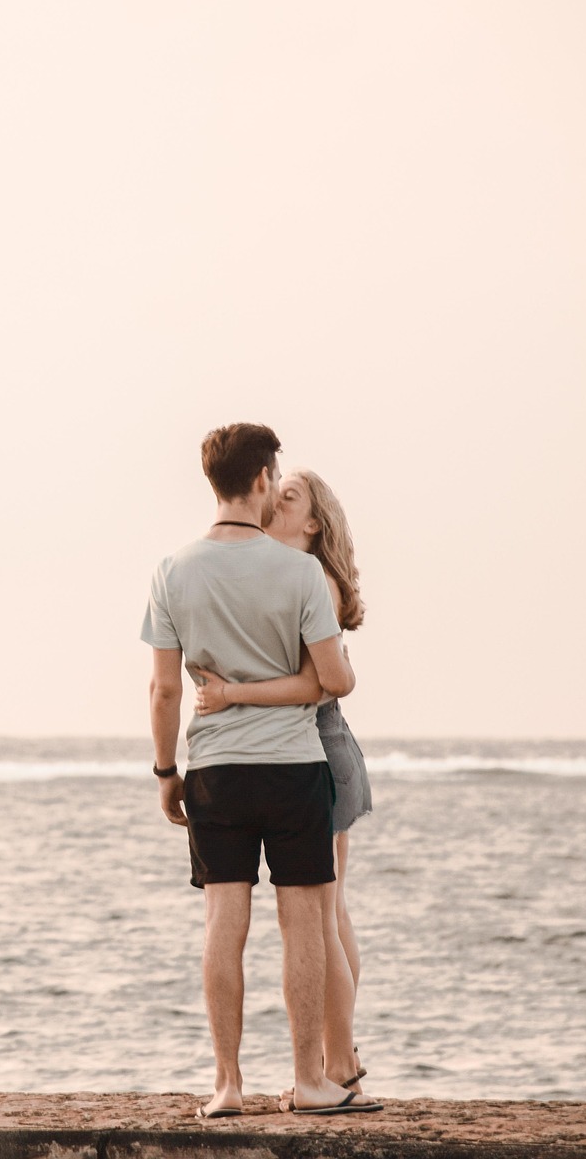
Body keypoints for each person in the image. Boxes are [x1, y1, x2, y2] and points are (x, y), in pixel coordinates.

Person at [141, 424, 381, 1118]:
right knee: (305, 921)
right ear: (258, 481)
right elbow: (334, 679)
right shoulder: (301, 572)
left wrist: (166, 772)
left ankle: (227, 1085)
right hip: (292, 765)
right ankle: (312, 1080)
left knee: (223, 919)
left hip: (212, 765)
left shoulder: (172, 569)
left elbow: (162, 691)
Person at [194, 469, 372, 1101]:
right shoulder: (277, 570)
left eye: (289, 497)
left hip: (317, 744)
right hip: (300, 748)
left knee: (323, 920)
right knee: (329, 914)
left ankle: (340, 1065)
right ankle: (336, 1063)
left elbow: (326, 682)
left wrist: (228, 693)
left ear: (314, 522)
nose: (274, 500)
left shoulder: (310, 576)